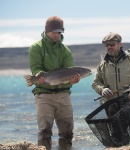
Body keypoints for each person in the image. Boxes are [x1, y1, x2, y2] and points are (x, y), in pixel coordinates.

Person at [28, 16, 80, 150]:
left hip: (64, 95)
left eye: (60, 32)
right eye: (55, 31)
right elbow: (36, 67)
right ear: (47, 31)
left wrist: (73, 80)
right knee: (45, 132)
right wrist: (38, 75)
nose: (57, 34)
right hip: (44, 95)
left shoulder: (65, 51)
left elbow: (69, 71)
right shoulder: (36, 48)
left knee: (67, 133)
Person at [92, 32, 130, 142]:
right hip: (112, 107)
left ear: (120, 44)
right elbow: (95, 83)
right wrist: (102, 89)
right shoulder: (102, 64)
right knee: (119, 141)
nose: (109, 47)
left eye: (112, 44)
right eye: (107, 45)